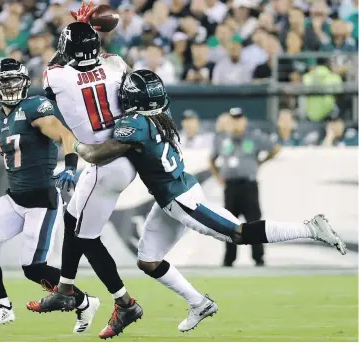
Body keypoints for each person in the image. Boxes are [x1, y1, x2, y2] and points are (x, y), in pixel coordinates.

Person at [72, 69, 346, 332]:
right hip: (172, 195)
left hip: (181, 200)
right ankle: (198, 303)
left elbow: (95, 154)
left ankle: (310, 228)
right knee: (148, 261)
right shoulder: (160, 113)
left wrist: (73, 142)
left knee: (237, 233)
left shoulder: (135, 125)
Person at [0, 58, 98, 330]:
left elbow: (65, 136)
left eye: (15, 81)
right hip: (15, 198)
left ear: (24, 83)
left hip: (41, 201)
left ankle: (83, 301)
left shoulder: (35, 107)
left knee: (33, 269)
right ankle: (3, 306)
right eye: (5, 82)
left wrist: (71, 166)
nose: (11, 87)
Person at [29, 3, 143, 339]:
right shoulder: (117, 64)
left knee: (85, 238)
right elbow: (114, 66)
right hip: (122, 154)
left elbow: (57, 64)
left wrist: (79, 27)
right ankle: (65, 288)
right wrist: (93, 30)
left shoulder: (57, 75)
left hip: (103, 163)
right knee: (72, 216)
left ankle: (125, 302)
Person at [210, 108, 280, 267]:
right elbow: (212, 159)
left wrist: (260, 162)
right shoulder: (221, 138)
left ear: (245, 121)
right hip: (231, 187)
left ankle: (258, 258)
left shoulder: (254, 136)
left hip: (248, 186)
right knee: (228, 224)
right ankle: (229, 259)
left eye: (239, 118)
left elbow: (275, 148)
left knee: (254, 223)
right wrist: (218, 176)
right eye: (233, 118)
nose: (237, 122)